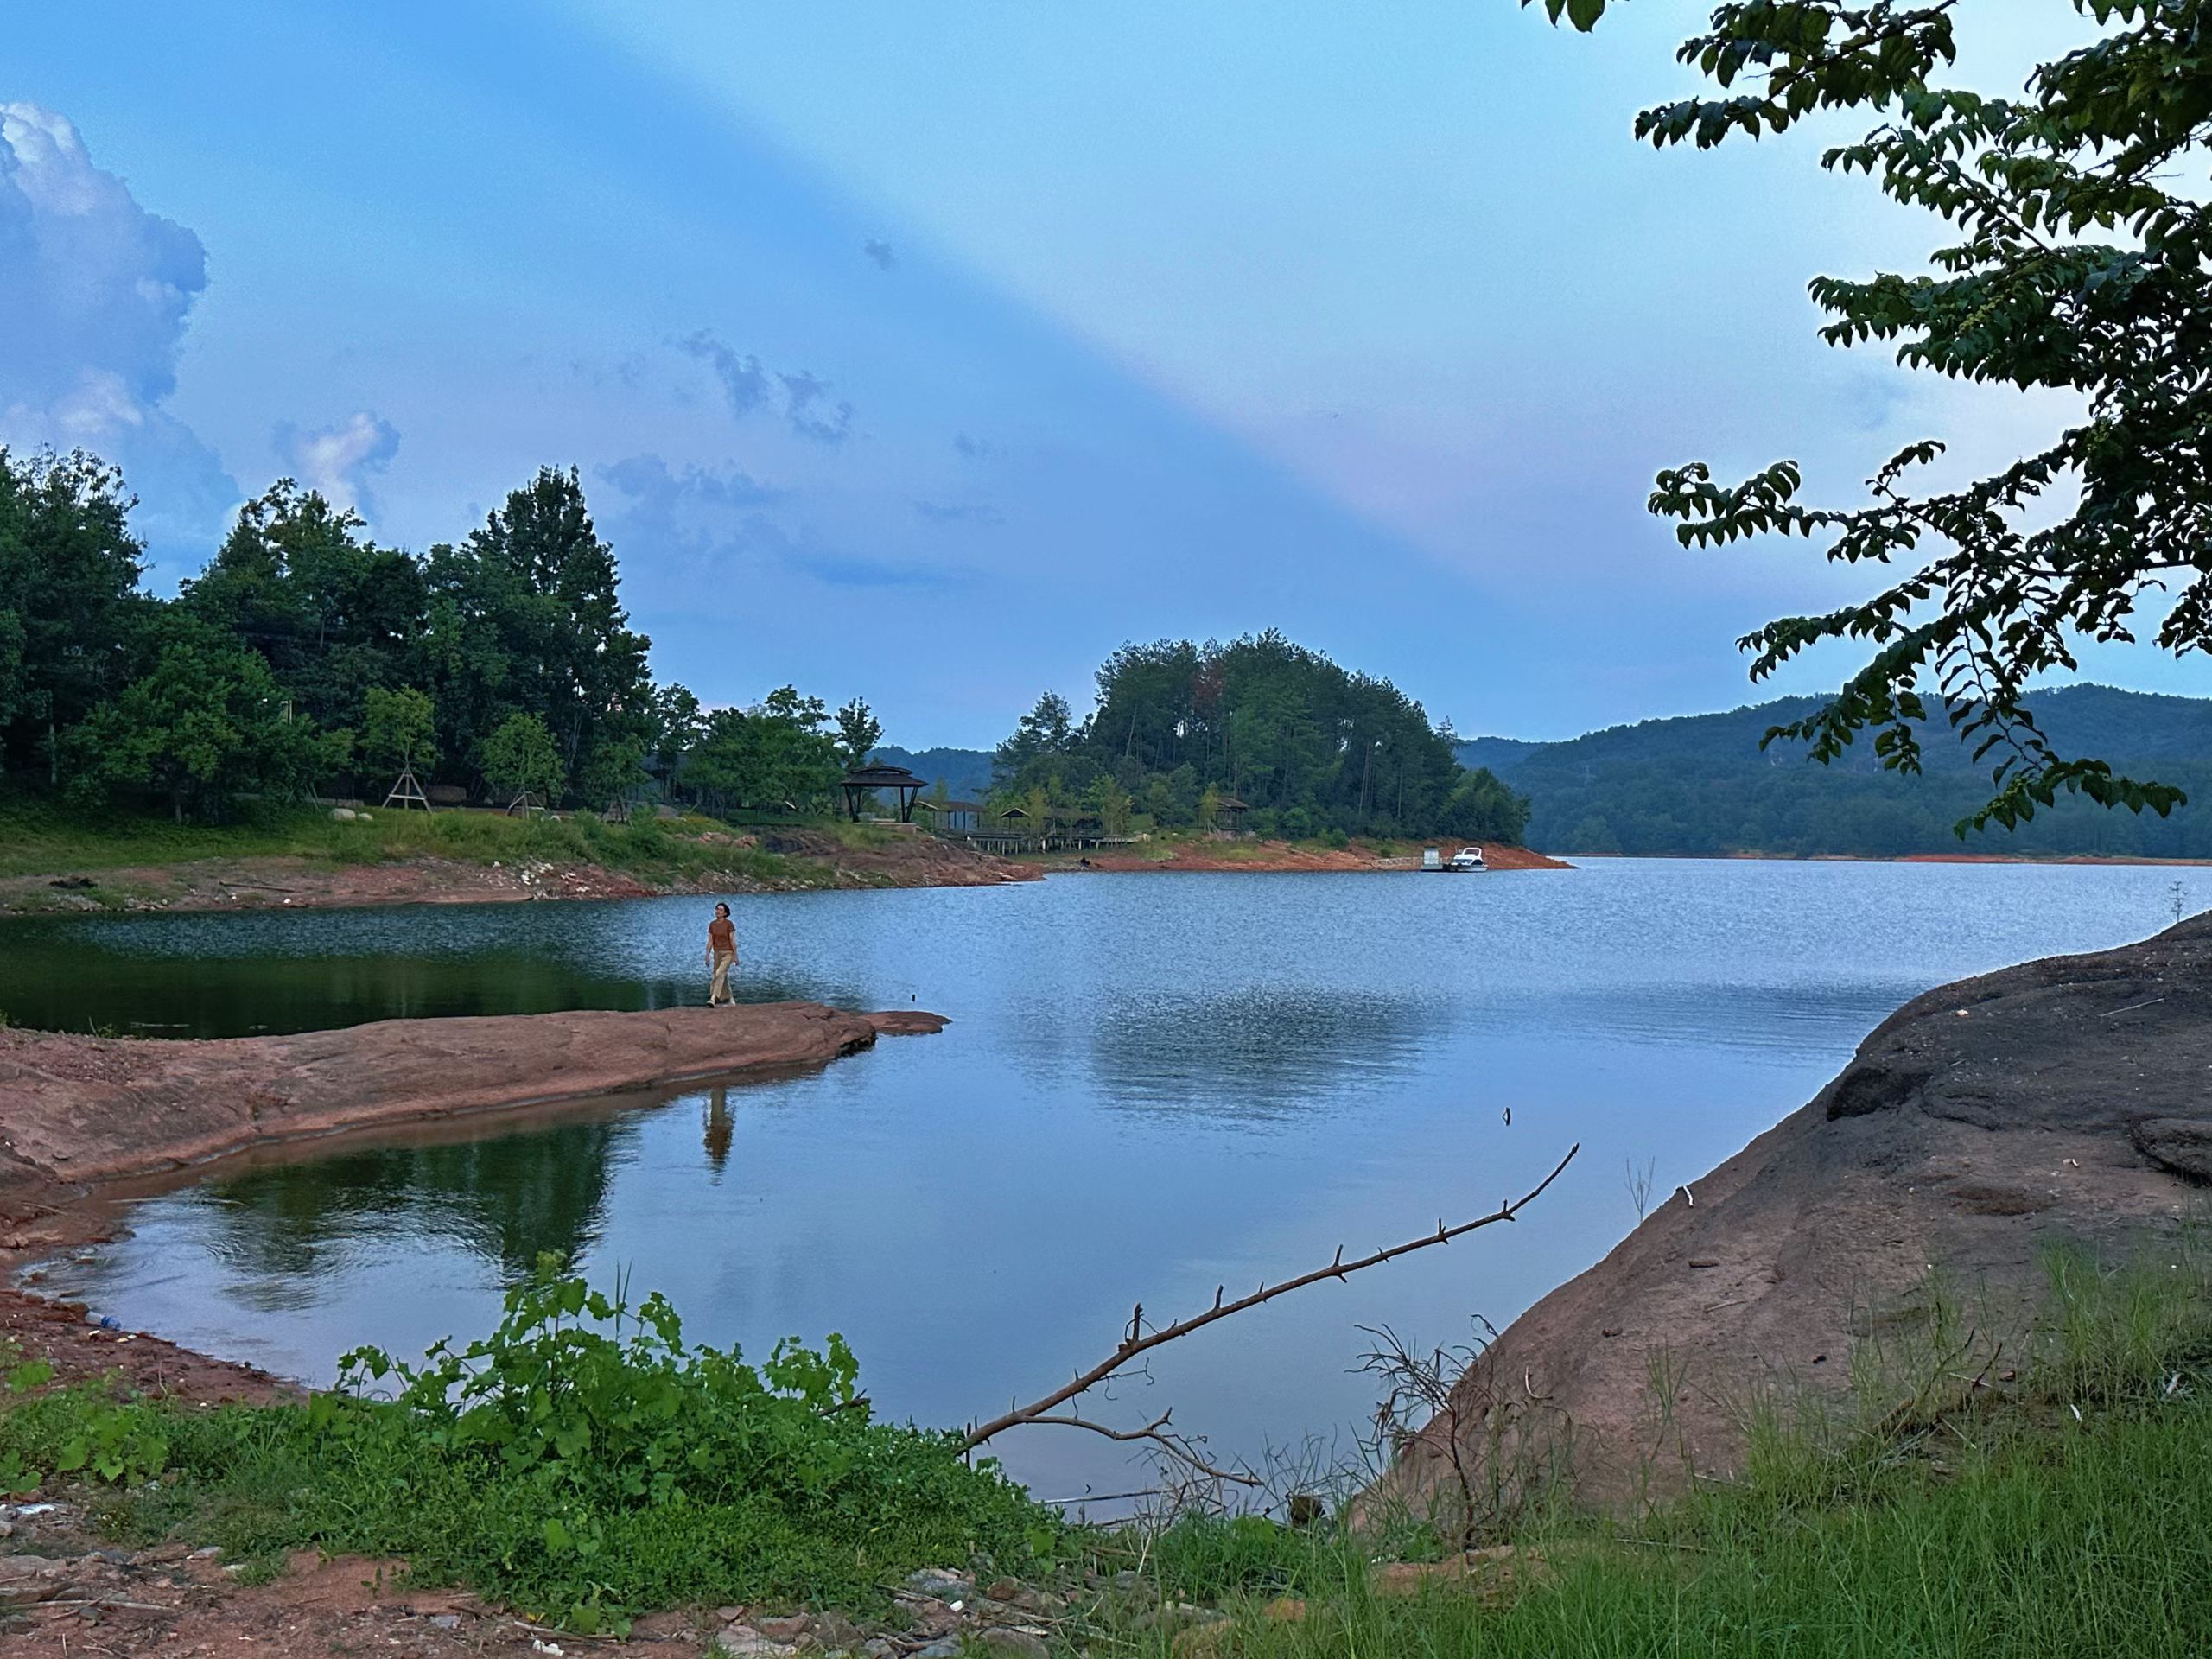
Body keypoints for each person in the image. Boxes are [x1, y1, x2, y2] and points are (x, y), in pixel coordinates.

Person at [705, 902, 738, 1007]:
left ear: (725, 913)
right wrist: (707, 955)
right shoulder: (712, 925)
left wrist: (735, 956)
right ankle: (730, 1000)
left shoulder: (729, 924)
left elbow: (732, 940)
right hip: (717, 953)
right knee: (722, 976)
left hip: (728, 953)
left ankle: (713, 998)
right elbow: (710, 941)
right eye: (717, 909)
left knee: (719, 973)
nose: (718, 911)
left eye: (720, 910)